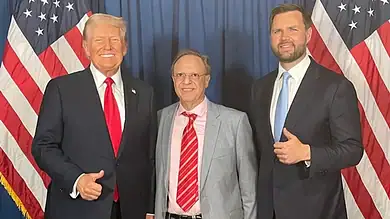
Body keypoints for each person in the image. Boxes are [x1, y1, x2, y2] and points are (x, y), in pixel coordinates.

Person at [31, 13, 156, 219]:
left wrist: (149, 209)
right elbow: (43, 146)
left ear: (125, 47)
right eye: (99, 40)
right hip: (77, 209)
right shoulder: (62, 89)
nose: (108, 46)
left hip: (130, 210)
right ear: (86, 48)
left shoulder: (144, 93)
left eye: (114, 40)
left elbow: (150, 156)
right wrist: (77, 179)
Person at [249, 4, 364, 219]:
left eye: (292, 29)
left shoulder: (335, 86)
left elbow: (352, 150)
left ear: (308, 34)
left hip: (317, 210)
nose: (284, 37)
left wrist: (307, 153)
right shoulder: (260, 88)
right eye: (277, 31)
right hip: (268, 210)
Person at [154, 49, 257, 219]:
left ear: (207, 80)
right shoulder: (160, 119)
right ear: (173, 79)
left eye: (194, 75)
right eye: (180, 75)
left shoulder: (235, 122)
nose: (186, 81)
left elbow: (249, 190)